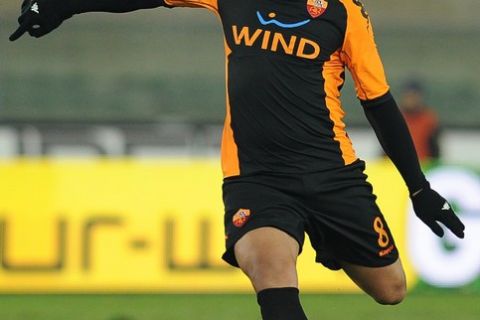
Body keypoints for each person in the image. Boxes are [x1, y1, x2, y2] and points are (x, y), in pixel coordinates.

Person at [9, 1, 465, 319]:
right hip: (258, 178)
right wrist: (62, 4)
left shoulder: (343, 12)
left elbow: (379, 102)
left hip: (332, 175)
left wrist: (419, 188)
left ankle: (328, 241)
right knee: (272, 273)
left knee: (392, 290)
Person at [400, 80, 441, 162]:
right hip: (396, 168)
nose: (410, 100)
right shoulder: (396, 117)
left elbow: (435, 149)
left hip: (424, 166)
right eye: (408, 96)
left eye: (413, 96)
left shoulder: (429, 119)